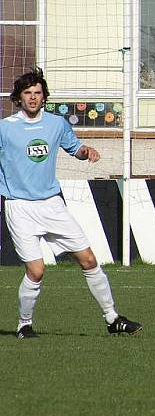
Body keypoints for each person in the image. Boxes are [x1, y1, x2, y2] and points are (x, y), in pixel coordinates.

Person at [0, 67, 141, 339]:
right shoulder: (6, 128)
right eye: (27, 93)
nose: (32, 98)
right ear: (18, 98)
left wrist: (86, 151)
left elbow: (74, 148)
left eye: (37, 93)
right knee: (36, 270)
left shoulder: (56, 124)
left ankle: (112, 318)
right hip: (20, 207)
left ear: (44, 97)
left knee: (88, 259)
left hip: (52, 205)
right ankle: (24, 325)